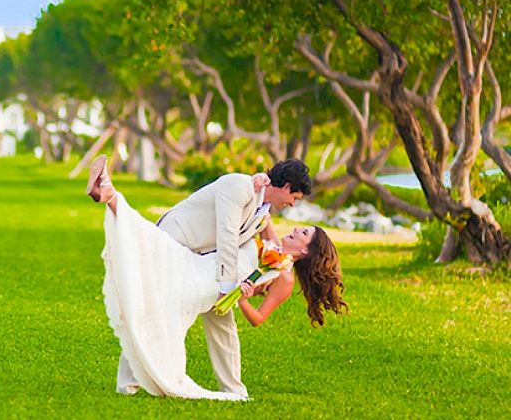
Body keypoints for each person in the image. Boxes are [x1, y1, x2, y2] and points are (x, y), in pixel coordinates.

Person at [88, 156, 346, 400]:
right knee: (156, 307)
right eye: (294, 197)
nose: (293, 204)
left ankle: (234, 388)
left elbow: (273, 249)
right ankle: (127, 383)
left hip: (207, 264)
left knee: (223, 326)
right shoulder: (239, 186)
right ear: (286, 186)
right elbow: (227, 236)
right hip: (178, 240)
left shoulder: (262, 210)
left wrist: (243, 287)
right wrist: (227, 286)